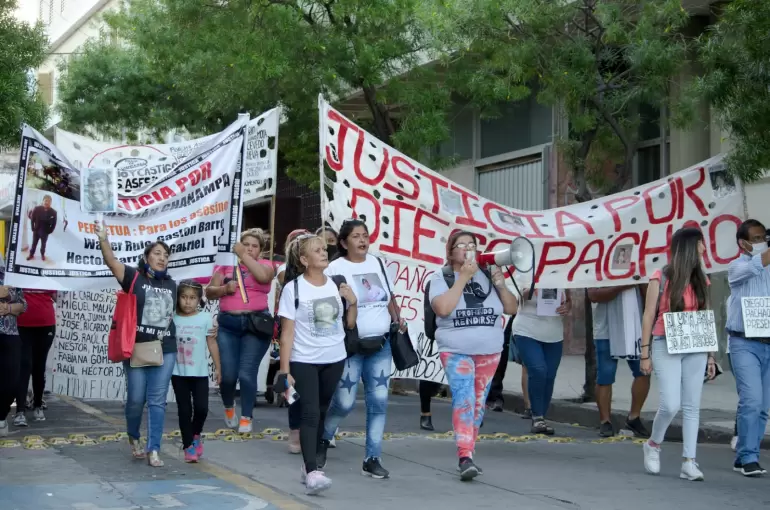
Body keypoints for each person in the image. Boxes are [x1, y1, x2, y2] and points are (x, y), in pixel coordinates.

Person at [319, 219, 407, 480]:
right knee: (344, 402)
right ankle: (323, 438)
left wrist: (397, 320)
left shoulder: (378, 263)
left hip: (381, 345)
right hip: (350, 346)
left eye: (365, 235)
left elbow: (390, 297)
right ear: (344, 243)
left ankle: (372, 458)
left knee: (379, 402)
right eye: (356, 236)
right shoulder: (334, 267)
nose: (362, 240)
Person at [428, 230, 518, 480]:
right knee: (464, 399)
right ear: (451, 251)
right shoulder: (441, 277)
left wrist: (500, 284)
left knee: (478, 404)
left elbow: (511, 307)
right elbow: (443, 308)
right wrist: (463, 277)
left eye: (472, 245)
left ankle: (469, 451)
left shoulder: (488, 274)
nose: (468, 249)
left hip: (489, 350)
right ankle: (464, 456)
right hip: (456, 350)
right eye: (461, 245)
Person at [276, 234, 355, 494]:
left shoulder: (336, 284)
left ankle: (308, 463)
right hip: (304, 359)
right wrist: (284, 370)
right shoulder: (293, 289)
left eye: (324, 249)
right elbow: (286, 333)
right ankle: (312, 472)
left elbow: (350, 323)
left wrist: (352, 301)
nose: (324, 252)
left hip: (334, 358)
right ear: (304, 259)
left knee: (322, 410)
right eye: (317, 250)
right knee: (309, 412)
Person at [96, 221, 178, 467]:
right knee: (135, 399)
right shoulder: (134, 278)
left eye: (165, 255)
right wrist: (103, 239)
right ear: (146, 257)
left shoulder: (172, 284)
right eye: (157, 253)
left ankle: (154, 449)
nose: (162, 258)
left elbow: (182, 310)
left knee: (157, 400)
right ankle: (134, 436)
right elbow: (111, 262)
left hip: (165, 348)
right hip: (136, 349)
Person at [640, 227, 716, 481]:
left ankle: (689, 461)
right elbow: (649, 314)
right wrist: (645, 353)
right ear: (689, 247)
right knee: (671, 403)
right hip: (665, 342)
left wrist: (710, 355)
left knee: (692, 406)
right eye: (700, 244)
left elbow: (706, 317)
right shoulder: (660, 277)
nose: (704, 248)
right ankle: (653, 444)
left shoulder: (701, 279)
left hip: (695, 344)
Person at [205, 229, 275, 433]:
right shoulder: (225, 266)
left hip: (255, 326)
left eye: (254, 246)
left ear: (260, 251)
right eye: (246, 245)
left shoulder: (265, 265)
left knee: (246, 373)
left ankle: (246, 416)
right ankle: (228, 406)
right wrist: (223, 290)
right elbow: (209, 292)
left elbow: (263, 277)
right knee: (228, 375)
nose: (250, 249)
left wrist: (243, 255)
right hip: (229, 325)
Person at [726, 219, 770, 477]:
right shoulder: (736, 267)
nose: (761, 242)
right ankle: (749, 457)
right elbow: (757, 264)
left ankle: (745, 453)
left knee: (763, 406)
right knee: (751, 400)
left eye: (764, 237)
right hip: (744, 342)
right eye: (756, 239)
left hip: (768, 341)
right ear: (743, 243)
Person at [587, 284, 650, 438]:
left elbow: (649, 295)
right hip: (606, 329)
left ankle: (634, 417)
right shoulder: (600, 264)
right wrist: (624, 284)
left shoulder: (639, 266)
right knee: (605, 375)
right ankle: (605, 421)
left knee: (643, 371)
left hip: (635, 327)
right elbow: (593, 295)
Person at [268, 229, 309, 453]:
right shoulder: (286, 272)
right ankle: (295, 430)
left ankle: (314, 431)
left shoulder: (326, 274)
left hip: (318, 340)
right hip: (293, 334)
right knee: (297, 388)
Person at [172, 280, 221, 463]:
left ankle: (196, 434)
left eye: (192, 298)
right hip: (178, 373)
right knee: (184, 410)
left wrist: (218, 368)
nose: (187, 302)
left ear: (199, 299)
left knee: (201, 409)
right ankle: (188, 447)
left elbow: (212, 343)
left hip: (199, 372)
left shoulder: (206, 318)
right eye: (184, 297)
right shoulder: (172, 318)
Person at [512, 288, 571, 435]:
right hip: (526, 330)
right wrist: (529, 290)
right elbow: (512, 302)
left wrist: (567, 307)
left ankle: (541, 417)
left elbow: (568, 300)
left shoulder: (561, 273)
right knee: (538, 370)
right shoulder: (525, 271)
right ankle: (537, 416)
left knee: (549, 375)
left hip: (554, 333)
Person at [13, 288, 56, 426]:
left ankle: (38, 405)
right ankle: (20, 411)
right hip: (22, 324)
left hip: (46, 324)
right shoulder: (18, 267)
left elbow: (58, 296)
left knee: (39, 366)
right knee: (24, 365)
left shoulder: (50, 268)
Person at [0, 254, 27, 438]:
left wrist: (8, 309)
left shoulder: (10, 275)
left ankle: (1, 416)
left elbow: (23, 304)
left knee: (12, 379)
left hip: (10, 334)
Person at [27, 195, 57, 262]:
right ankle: (31, 254)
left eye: (49, 201)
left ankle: (42, 254)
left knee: (43, 245)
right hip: (36, 230)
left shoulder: (53, 212)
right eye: (46, 200)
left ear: (51, 203)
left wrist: (50, 231)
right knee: (34, 244)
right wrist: (32, 228)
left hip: (45, 232)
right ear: (43, 201)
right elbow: (32, 219)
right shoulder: (37, 208)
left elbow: (54, 224)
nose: (47, 202)